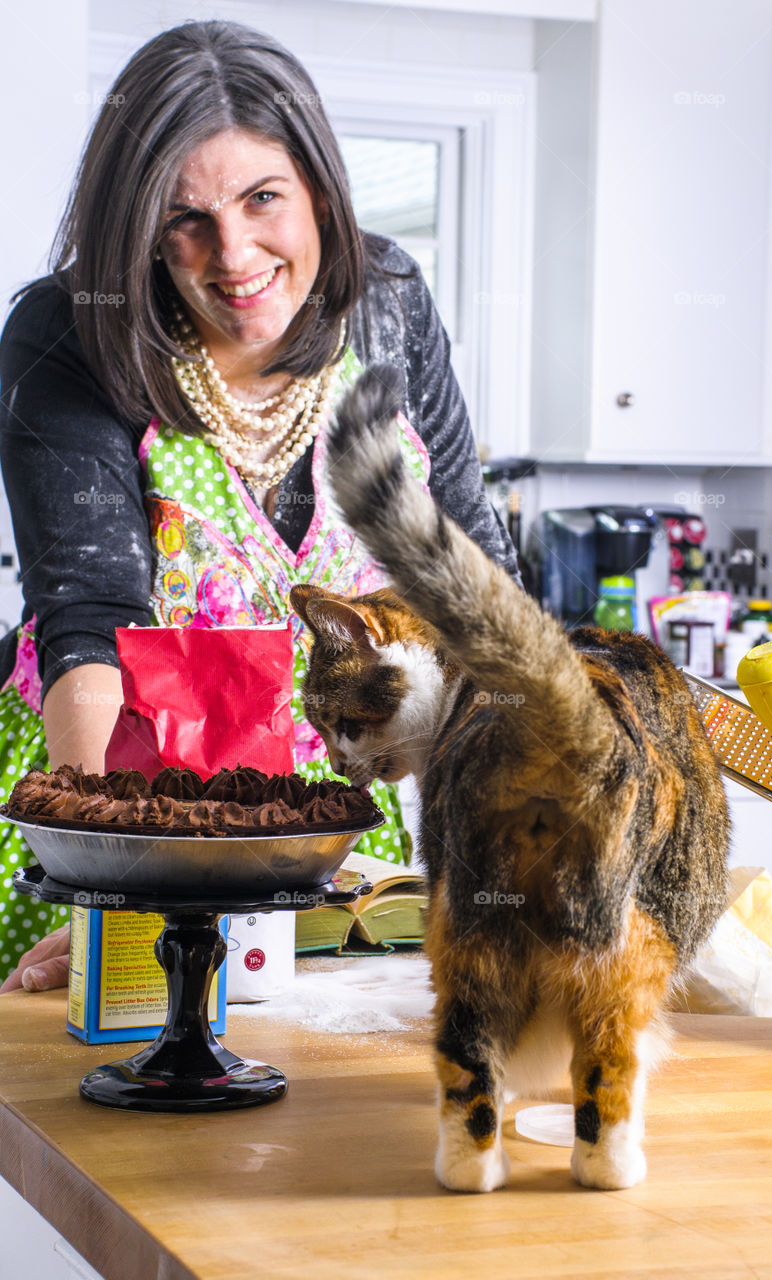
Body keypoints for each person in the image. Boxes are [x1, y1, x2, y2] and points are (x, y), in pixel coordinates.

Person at [0, 20, 518, 990]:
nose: (231, 253)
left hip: (342, 861)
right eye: (183, 217)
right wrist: (113, 885)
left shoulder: (391, 304)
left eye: (262, 198)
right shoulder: (70, 336)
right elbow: (91, 626)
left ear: (320, 186)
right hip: (124, 814)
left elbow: (474, 575)